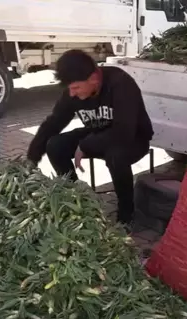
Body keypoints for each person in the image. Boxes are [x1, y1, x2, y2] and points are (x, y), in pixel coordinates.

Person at [27, 49, 154, 228]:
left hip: (133, 138)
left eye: (76, 88)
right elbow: (53, 123)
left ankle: (127, 213)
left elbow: (124, 131)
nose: (72, 94)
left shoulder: (121, 84)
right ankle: (76, 200)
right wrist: (31, 159)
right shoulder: (72, 92)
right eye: (69, 88)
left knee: (115, 156)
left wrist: (86, 146)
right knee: (55, 145)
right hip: (97, 134)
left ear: (94, 78)